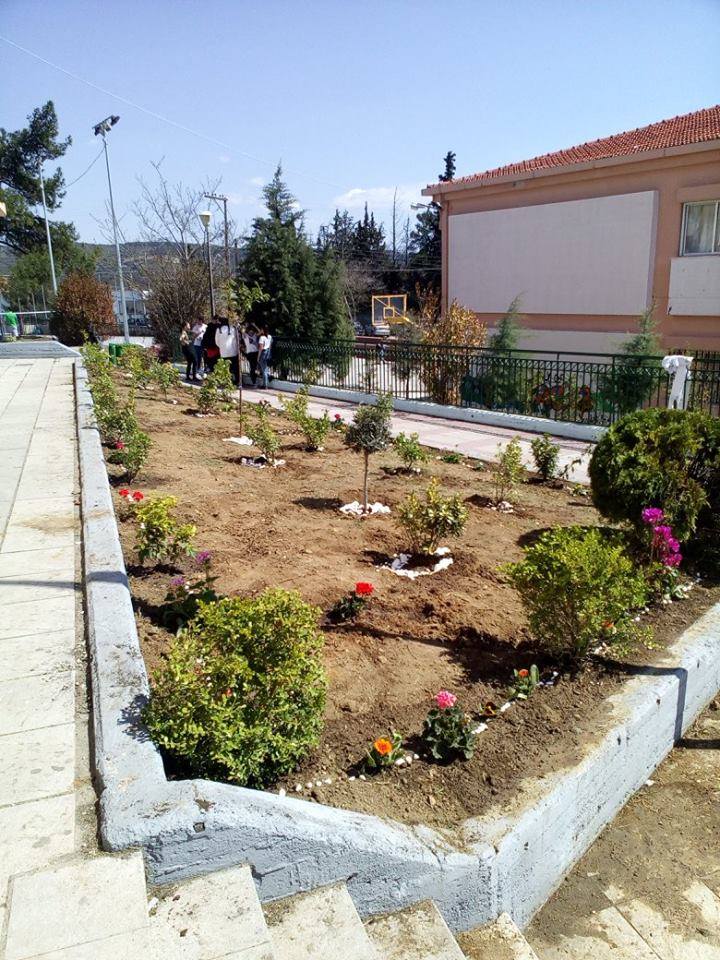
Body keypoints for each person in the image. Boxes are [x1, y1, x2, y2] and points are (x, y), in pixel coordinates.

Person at [215, 317, 240, 386]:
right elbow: (236, 339)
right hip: (233, 352)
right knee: (235, 368)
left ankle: (228, 382)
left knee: (226, 368)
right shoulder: (232, 328)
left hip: (224, 353)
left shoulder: (218, 330)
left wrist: (222, 347)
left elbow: (217, 342)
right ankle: (237, 381)